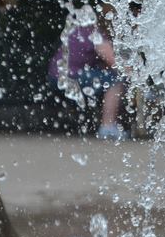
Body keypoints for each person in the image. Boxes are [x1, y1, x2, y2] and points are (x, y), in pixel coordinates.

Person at [48, 7, 127, 140]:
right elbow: (115, 62)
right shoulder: (96, 34)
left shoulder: (82, 28)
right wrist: (137, 76)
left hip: (56, 75)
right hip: (69, 77)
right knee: (115, 81)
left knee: (105, 77)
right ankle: (107, 127)